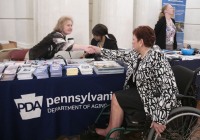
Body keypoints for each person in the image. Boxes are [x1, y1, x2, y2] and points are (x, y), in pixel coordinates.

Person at [87, 26, 180, 137]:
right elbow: (119, 54)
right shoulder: (137, 54)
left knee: (117, 97)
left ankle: (112, 134)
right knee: (118, 96)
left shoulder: (157, 58)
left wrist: (159, 119)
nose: (132, 42)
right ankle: (111, 130)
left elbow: (169, 89)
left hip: (153, 99)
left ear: (141, 42)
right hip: (143, 93)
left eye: (133, 40)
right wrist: (98, 50)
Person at [28, 16, 94, 60]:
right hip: (32, 57)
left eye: (71, 25)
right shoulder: (56, 36)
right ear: (61, 26)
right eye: (68, 25)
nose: (71, 27)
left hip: (42, 59)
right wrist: (85, 47)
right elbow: (67, 46)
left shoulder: (61, 36)